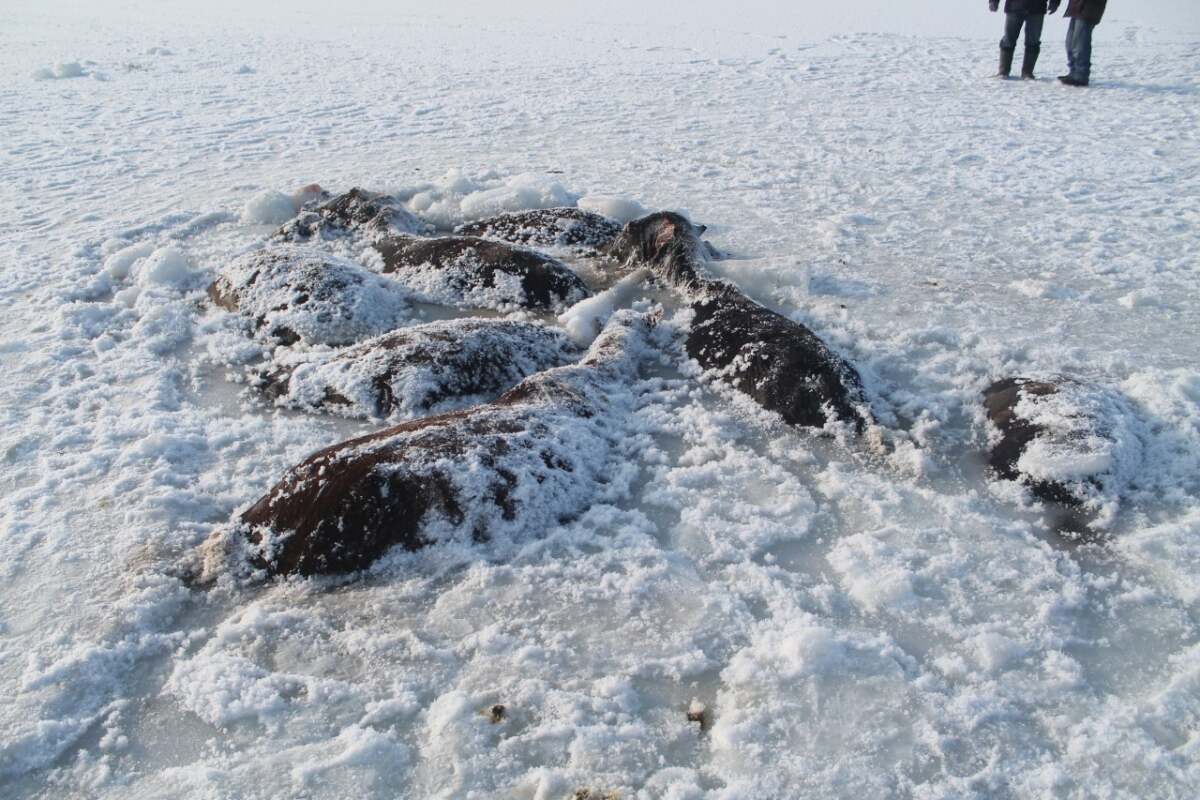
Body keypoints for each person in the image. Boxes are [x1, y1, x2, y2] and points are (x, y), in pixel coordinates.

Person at [989, 0, 1061, 80]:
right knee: (1008, 40)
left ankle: (1027, 72)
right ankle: (1003, 71)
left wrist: (1054, 3)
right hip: (1014, 7)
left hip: (1037, 8)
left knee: (1033, 41)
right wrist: (993, 1)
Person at [1060, 0, 1108, 86]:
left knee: (1080, 43)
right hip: (1076, 7)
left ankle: (1081, 75)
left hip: (1090, 8)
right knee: (1070, 43)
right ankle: (1073, 72)